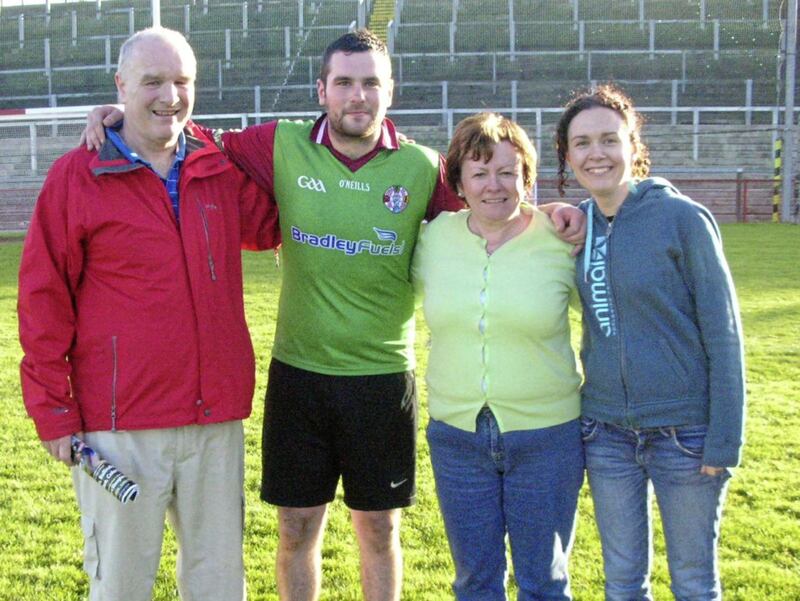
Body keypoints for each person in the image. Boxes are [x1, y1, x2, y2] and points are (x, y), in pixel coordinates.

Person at [83, 29, 586, 601]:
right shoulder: (278, 144)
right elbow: (183, 130)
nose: (357, 96)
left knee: (379, 527)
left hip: (382, 377)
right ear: (322, 89)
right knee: (296, 527)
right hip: (299, 375)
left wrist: (553, 212)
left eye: (371, 82)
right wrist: (120, 111)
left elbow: (494, 203)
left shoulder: (420, 169)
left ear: (389, 91)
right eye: (344, 82)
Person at [18, 27, 279, 601]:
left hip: (215, 421)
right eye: (152, 82)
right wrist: (53, 409)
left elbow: (277, 221)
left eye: (182, 81)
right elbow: (43, 298)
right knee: (122, 585)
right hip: (121, 426)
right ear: (120, 86)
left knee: (218, 584)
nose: (170, 96)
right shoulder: (76, 176)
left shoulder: (218, 170)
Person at [555, 84, 746, 600]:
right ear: (567, 156)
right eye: (582, 143)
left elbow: (724, 333)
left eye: (609, 140)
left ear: (633, 147)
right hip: (606, 433)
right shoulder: (576, 227)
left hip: (685, 434)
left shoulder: (683, 220)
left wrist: (724, 438)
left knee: (693, 582)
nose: (597, 153)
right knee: (621, 583)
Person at [411, 112, 584, 600]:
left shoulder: (562, 239)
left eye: (508, 172)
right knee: (475, 582)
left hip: (546, 436)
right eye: (480, 172)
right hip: (457, 437)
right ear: (459, 182)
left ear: (526, 178)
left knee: (544, 582)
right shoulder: (433, 238)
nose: (494, 185)